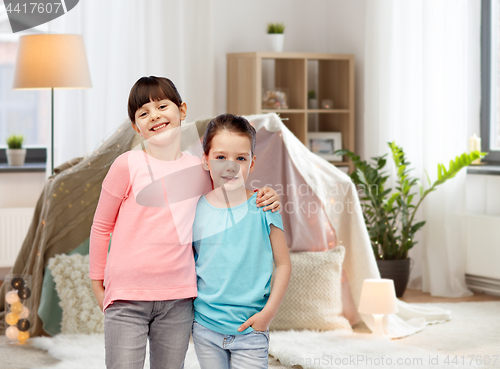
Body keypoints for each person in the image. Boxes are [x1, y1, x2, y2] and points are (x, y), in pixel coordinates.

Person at [89, 77, 280, 369]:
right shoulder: (126, 165)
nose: (154, 115)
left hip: (179, 299)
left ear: (182, 110)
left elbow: (230, 187)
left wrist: (264, 194)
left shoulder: (199, 169)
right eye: (143, 113)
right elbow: (102, 225)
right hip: (127, 297)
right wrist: (96, 281)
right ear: (135, 126)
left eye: (162, 105)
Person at [192, 114, 292, 369]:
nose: (231, 167)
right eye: (220, 157)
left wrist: (267, 316)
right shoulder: (194, 210)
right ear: (205, 160)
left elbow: (283, 264)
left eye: (241, 158)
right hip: (205, 329)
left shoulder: (265, 206)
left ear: (252, 162)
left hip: (251, 331)